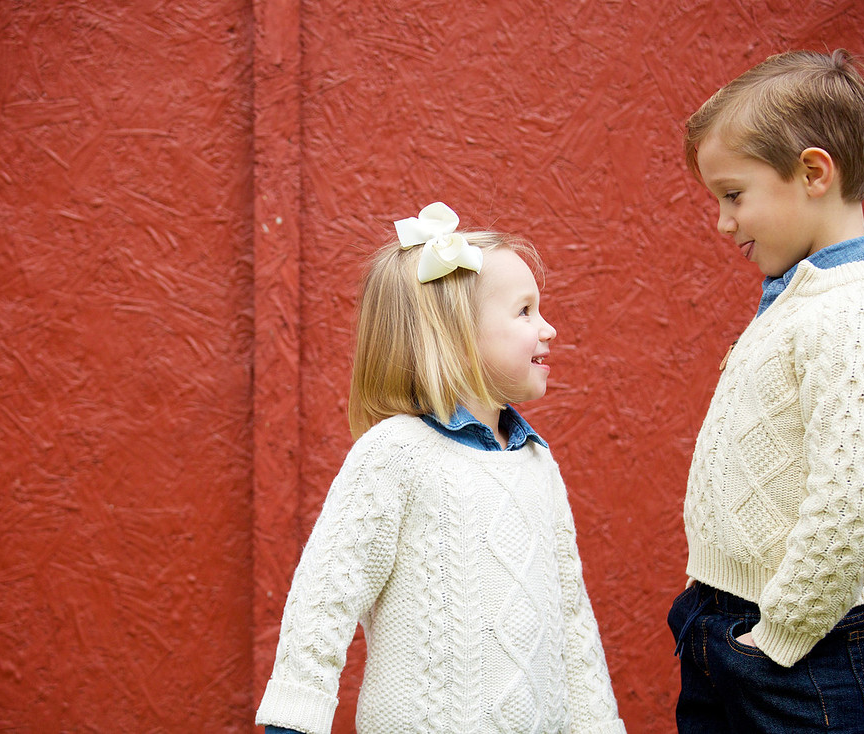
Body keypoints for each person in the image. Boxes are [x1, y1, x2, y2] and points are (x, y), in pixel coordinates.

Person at [256, 202, 626, 734]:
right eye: (524, 311)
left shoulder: (538, 462)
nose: (548, 328)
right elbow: (325, 598)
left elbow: (572, 619)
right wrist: (294, 719)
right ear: (456, 333)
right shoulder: (395, 454)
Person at [668, 50, 864, 733]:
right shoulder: (804, 298)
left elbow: (856, 499)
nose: (725, 223)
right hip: (726, 617)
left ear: (814, 172)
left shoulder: (854, 311)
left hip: (796, 646)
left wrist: (776, 636)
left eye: (733, 195)